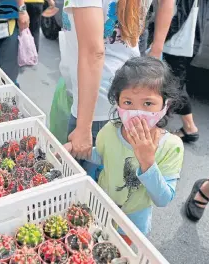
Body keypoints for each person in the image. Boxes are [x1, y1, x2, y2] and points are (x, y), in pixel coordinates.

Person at [65, 57, 184, 243]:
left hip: (132, 224)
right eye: (128, 102)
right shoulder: (111, 130)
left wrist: (147, 162)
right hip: (100, 209)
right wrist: (76, 150)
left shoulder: (171, 146)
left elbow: (163, 199)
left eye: (148, 104)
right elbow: (104, 156)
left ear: (165, 105)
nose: (137, 112)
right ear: (117, 103)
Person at [62, 0, 175, 174]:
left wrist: (83, 127)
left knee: (85, 187)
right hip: (123, 93)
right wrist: (156, 51)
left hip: (95, 103)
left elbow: (94, 53)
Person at [163, 0, 209, 143]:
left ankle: (189, 128)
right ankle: (187, 127)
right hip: (185, 40)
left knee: (173, 86)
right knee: (173, 83)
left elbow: (175, 11)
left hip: (177, 41)